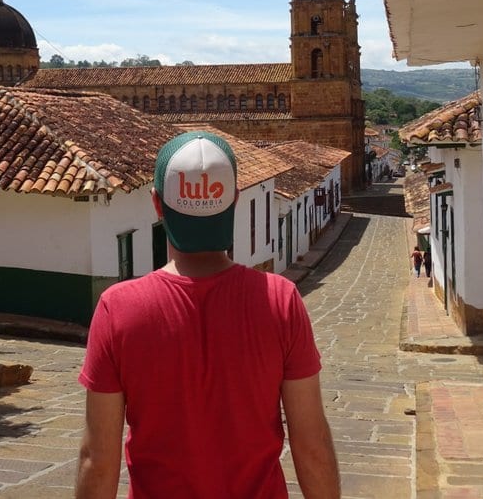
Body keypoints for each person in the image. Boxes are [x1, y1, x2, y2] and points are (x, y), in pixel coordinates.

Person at [75, 131, 340, 499]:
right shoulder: (281, 301)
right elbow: (311, 444)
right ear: (232, 201)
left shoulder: (117, 308)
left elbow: (98, 462)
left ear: (157, 204)